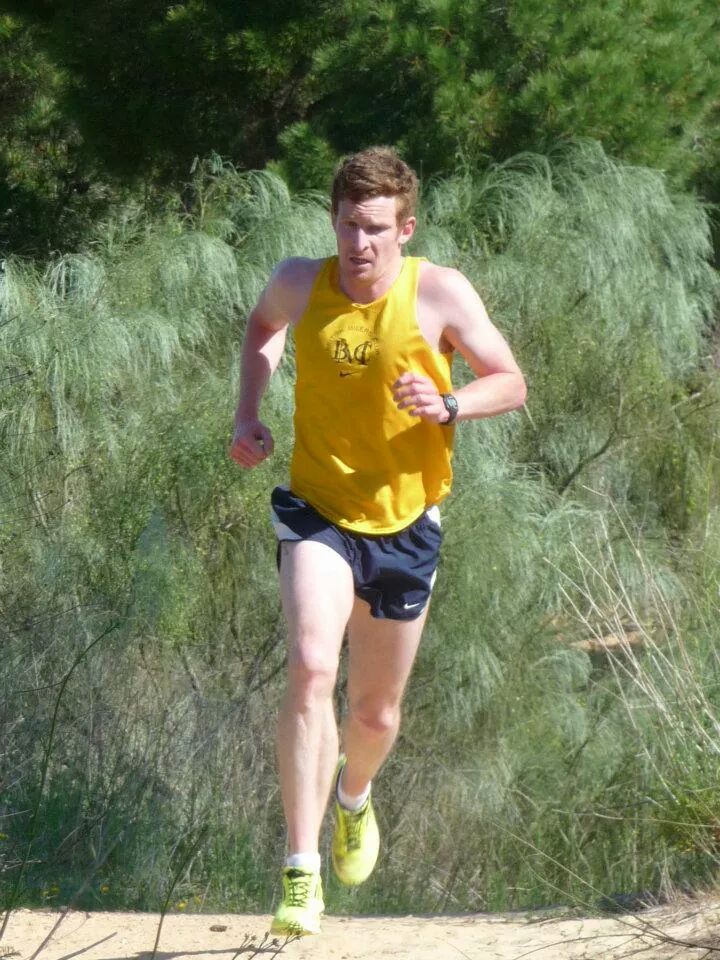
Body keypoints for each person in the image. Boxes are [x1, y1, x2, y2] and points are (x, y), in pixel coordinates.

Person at [229, 146, 526, 936]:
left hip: (405, 523)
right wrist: (248, 412)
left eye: (374, 228)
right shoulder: (301, 282)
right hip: (316, 510)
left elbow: (511, 381)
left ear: (405, 228)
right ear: (331, 221)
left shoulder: (439, 293)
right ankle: (300, 872)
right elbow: (262, 326)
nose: (358, 243)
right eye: (346, 225)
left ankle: (353, 798)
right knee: (310, 665)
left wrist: (451, 403)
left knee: (374, 715)